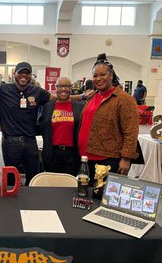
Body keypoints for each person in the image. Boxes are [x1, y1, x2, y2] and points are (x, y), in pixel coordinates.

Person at [77, 56, 140, 184]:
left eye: (103, 74)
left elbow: (131, 131)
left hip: (108, 160)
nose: (98, 79)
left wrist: (126, 158)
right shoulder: (93, 96)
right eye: (95, 76)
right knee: (86, 195)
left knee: (102, 198)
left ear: (111, 75)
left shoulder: (124, 99)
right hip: (85, 158)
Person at [0, 62, 49, 184]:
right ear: (14, 74)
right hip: (11, 143)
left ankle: (31, 202)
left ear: (31, 76)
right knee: (11, 180)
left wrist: (83, 96)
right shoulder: (1, 89)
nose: (24, 76)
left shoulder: (38, 92)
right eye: (20, 72)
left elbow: (57, 97)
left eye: (27, 73)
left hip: (30, 142)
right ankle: (12, 203)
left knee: (33, 178)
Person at [40, 75, 83, 175]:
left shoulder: (79, 107)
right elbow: (43, 128)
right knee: (53, 184)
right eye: (60, 86)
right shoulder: (48, 107)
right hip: (53, 153)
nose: (63, 89)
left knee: (70, 184)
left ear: (71, 88)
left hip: (72, 154)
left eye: (67, 86)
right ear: (56, 88)